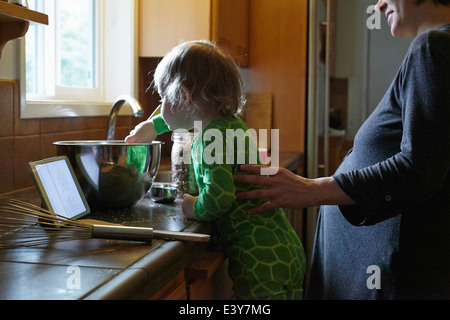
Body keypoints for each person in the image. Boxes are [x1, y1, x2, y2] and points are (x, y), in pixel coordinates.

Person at [233, 0, 450, 299]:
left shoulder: (433, 46)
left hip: (391, 273)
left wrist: (312, 189)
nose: (379, 4)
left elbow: (419, 167)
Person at [125, 40, 306, 300]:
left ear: (184, 96)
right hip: (282, 246)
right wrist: (152, 126)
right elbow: (178, 117)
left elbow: (219, 198)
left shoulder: (208, 138)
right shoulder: (231, 125)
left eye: (164, 98)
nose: (162, 105)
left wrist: (193, 206)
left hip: (258, 259)